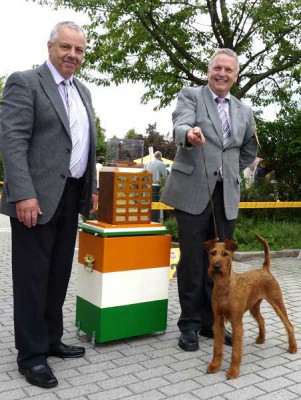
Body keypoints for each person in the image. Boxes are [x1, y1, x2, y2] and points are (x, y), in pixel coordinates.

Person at [0, 21, 97, 388]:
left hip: (70, 197)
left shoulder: (83, 91)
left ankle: (51, 339)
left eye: (79, 50)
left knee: (57, 275)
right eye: (66, 48)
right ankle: (31, 355)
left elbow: (84, 145)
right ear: (51, 47)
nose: (73, 55)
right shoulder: (25, 82)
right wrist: (23, 193)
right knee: (31, 278)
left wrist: (90, 189)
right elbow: (12, 140)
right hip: (35, 200)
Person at [161, 48, 257, 352]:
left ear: (236, 76)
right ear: (208, 70)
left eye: (229, 70)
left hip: (226, 194)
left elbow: (248, 150)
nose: (222, 74)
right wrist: (189, 134)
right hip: (192, 191)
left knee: (219, 262)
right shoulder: (191, 95)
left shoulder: (244, 110)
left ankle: (210, 322)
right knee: (192, 261)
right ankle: (188, 324)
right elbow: (180, 123)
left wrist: (229, 169)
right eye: (218, 68)